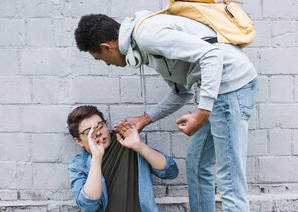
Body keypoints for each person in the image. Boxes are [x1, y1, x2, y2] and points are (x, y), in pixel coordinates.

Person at [74, 11, 257, 211]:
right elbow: (182, 93)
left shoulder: (146, 36)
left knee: (229, 180)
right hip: (218, 95)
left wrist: (201, 114)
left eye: (101, 59)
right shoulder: (142, 47)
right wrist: (145, 119)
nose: (107, 64)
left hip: (231, 89)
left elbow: (212, 55)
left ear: (106, 47)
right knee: (196, 166)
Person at [67, 105, 178, 212]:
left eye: (100, 125)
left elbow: (171, 172)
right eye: (89, 132)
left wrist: (139, 146)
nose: (98, 132)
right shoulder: (78, 164)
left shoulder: (125, 140)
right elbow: (88, 206)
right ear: (79, 141)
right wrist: (96, 157)